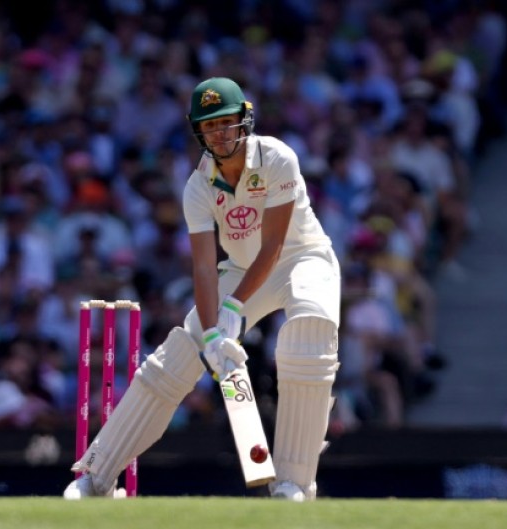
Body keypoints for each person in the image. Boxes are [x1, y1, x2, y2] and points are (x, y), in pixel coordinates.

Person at [63, 77, 341, 501]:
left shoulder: (276, 157)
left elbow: (274, 246)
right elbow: (204, 267)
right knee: (175, 357)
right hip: (241, 268)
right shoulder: (198, 186)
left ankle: (294, 483)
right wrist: (211, 335)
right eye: (210, 126)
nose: (220, 133)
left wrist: (234, 307)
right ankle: (96, 476)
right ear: (199, 132)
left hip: (303, 258)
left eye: (227, 122)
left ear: (244, 121)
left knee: (308, 333)